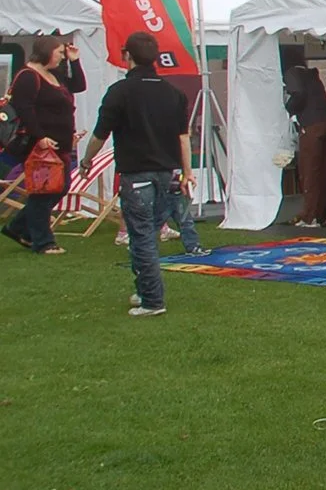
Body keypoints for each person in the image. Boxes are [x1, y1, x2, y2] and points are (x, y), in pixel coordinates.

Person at [79, 32, 206, 317]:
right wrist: (187, 172)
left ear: (127, 55)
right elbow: (183, 137)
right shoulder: (173, 93)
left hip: (138, 174)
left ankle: (152, 299)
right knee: (148, 233)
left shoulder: (120, 92)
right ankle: (144, 290)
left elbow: (101, 133)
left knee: (143, 237)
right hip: (168, 173)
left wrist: (87, 160)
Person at [2, 36, 88, 255]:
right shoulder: (28, 76)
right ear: (47, 52)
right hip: (40, 144)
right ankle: (43, 241)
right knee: (44, 191)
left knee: (62, 186)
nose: (61, 56)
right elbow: (25, 109)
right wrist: (39, 136)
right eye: (59, 52)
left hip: (61, 142)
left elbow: (78, 85)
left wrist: (74, 61)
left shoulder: (54, 74)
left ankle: (18, 227)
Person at [284, 59, 326, 227]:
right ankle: (319, 214)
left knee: (309, 172)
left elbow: (298, 94)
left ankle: (309, 216)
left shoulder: (292, 73)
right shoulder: (312, 76)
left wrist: (288, 108)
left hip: (312, 125)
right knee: (324, 171)